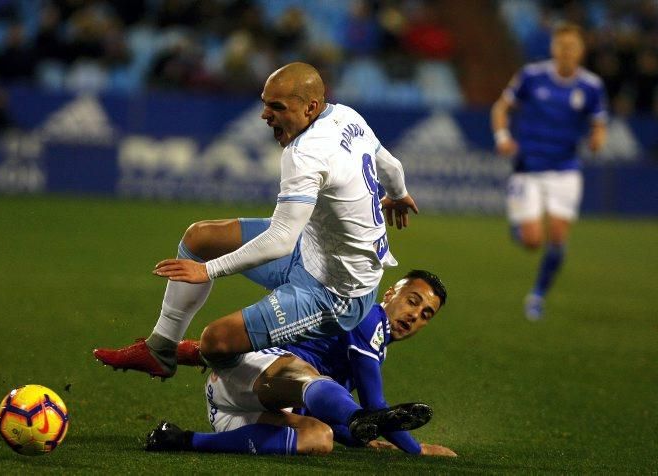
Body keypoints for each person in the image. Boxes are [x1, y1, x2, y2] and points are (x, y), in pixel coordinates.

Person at [94, 62, 418, 376]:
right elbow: (390, 166)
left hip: (337, 294)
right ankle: (160, 348)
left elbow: (279, 240)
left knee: (217, 341)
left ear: (310, 108)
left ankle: (314, 404)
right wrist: (399, 194)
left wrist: (207, 270)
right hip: (311, 250)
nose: (265, 115)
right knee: (200, 238)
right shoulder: (345, 115)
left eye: (276, 107)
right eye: (265, 105)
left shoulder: (305, 153)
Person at [144, 270, 457, 457]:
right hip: (256, 372)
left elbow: (326, 413)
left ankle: (183, 439)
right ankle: (353, 417)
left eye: (426, 314)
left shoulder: (376, 344)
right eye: (412, 300)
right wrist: (416, 449)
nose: (415, 314)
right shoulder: (369, 318)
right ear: (389, 294)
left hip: (238, 412)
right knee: (308, 376)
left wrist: (361, 437)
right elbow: (375, 403)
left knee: (321, 438)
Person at [490, 23, 607, 321]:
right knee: (532, 241)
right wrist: (503, 138)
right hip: (528, 166)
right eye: (561, 45)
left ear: (581, 50)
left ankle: (537, 295)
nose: (566, 51)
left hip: (565, 168)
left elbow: (599, 122)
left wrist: (597, 138)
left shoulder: (591, 86)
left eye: (572, 46)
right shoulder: (532, 76)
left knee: (557, 235)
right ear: (554, 48)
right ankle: (518, 225)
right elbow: (501, 108)